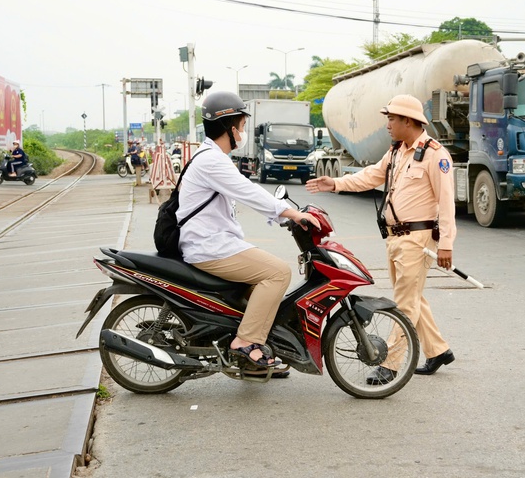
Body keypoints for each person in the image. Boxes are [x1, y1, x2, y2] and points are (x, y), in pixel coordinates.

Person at [306, 94, 457, 384]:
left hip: (417, 237)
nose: (387, 124)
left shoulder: (435, 154)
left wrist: (447, 243)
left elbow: (447, 202)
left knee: (404, 304)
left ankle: (391, 364)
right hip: (395, 238)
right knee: (412, 297)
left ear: (408, 121)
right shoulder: (398, 152)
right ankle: (438, 350)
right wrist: (335, 183)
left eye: (391, 119)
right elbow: (370, 177)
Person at [178, 91, 320, 371]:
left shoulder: (209, 156)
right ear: (230, 128)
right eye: (242, 126)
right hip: (209, 247)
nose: (243, 132)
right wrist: (291, 212)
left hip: (214, 243)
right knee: (278, 272)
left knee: (262, 284)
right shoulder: (212, 160)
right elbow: (249, 191)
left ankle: (252, 360)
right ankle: (246, 342)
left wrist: (283, 216)